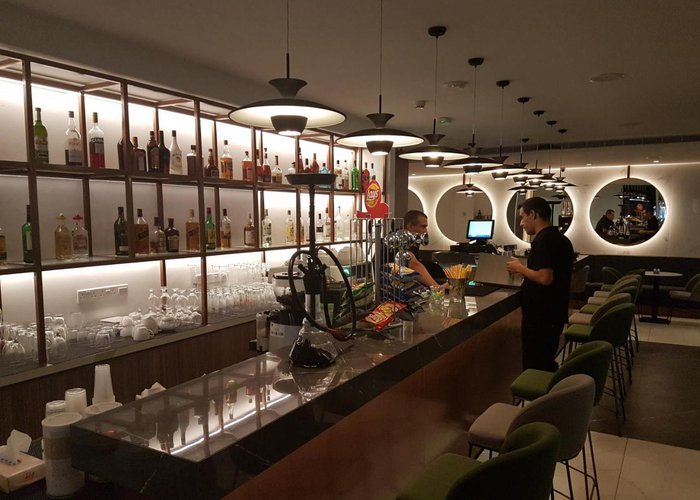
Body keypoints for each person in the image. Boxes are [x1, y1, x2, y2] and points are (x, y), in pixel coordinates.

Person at [506, 197, 574, 371]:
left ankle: (537, 389)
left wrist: (519, 268)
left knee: (535, 366)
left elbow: (545, 278)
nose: (521, 223)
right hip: (554, 314)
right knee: (546, 362)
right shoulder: (561, 239)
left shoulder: (544, 241)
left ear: (533, 214)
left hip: (541, 317)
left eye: (523, 217)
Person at [402, 210, 446, 288]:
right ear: (411, 226)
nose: (426, 231)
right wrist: (437, 288)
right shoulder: (402, 242)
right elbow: (414, 265)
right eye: (423, 226)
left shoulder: (413, 242)